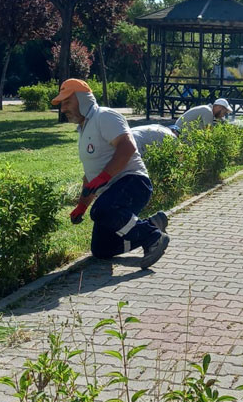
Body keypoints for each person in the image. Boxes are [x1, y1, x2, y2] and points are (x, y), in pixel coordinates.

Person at [52, 79, 170, 268]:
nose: (63, 109)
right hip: (112, 193)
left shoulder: (104, 116)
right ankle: (150, 225)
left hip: (133, 183)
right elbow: (90, 176)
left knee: (101, 210)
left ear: (82, 99)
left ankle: (152, 237)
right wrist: (82, 206)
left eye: (67, 102)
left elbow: (127, 147)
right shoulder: (84, 129)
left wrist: (103, 178)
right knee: (101, 249)